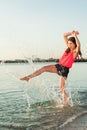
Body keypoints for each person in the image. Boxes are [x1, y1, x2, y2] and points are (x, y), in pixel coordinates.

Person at [20, 30, 82, 106]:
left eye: (71, 43)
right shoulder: (68, 49)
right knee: (44, 68)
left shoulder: (75, 52)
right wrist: (71, 33)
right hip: (58, 66)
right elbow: (64, 35)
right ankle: (28, 77)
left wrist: (75, 36)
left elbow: (79, 45)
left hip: (64, 70)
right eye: (68, 43)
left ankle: (67, 104)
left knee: (61, 89)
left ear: (74, 44)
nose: (69, 45)